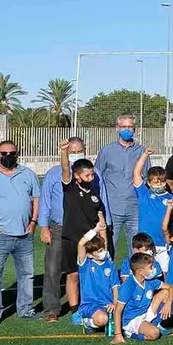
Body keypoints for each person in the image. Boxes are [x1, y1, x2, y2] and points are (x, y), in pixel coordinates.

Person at [40, 137, 106, 322]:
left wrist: (103, 229)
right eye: (72, 152)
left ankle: (90, 304)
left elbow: (101, 205)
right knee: (56, 271)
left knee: (89, 272)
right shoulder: (65, 180)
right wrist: (43, 226)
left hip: (90, 234)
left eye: (79, 151)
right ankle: (53, 309)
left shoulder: (93, 181)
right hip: (62, 231)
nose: (76, 154)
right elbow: (45, 200)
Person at [0, 141, 41, 324]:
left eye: (12, 153)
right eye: (4, 152)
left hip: (24, 235)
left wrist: (33, 222)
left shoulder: (28, 174)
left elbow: (36, 199)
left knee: (27, 274)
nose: (8, 156)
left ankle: (25, 309)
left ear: (17, 154)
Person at [58, 141, 108, 326]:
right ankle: (75, 310)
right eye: (87, 174)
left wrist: (103, 239)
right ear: (77, 176)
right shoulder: (70, 186)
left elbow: (100, 217)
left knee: (92, 274)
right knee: (73, 275)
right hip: (72, 238)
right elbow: (65, 168)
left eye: (92, 173)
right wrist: (64, 152)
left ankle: (93, 304)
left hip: (92, 240)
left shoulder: (94, 191)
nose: (91, 176)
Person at [94, 114, 147, 258]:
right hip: (111, 207)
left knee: (136, 247)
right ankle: (108, 276)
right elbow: (97, 177)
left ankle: (133, 276)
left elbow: (146, 178)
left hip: (135, 207)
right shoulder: (106, 151)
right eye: (123, 127)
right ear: (117, 128)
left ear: (135, 129)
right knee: (108, 245)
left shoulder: (142, 151)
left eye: (130, 127)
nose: (127, 130)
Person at [111, 252, 173, 344]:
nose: (153, 269)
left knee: (166, 292)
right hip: (131, 319)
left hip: (144, 313)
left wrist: (168, 303)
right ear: (140, 272)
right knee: (154, 333)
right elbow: (118, 311)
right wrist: (117, 334)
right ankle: (129, 333)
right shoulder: (128, 286)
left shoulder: (149, 281)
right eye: (150, 268)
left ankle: (155, 323)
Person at [75, 223, 117, 334]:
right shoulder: (85, 265)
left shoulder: (110, 265)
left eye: (103, 249)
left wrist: (115, 303)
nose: (103, 252)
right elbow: (81, 244)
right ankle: (87, 321)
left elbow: (115, 287)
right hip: (90, 305)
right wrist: (95, 230)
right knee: (102, 319)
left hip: (108, 305)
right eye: (99, 251)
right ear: (89, 255)